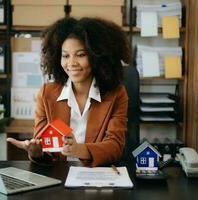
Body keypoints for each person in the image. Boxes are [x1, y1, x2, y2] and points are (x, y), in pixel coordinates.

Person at [7, 17, 131, 167]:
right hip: (60, 178)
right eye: (65, 56)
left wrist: (77, 149)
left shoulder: (117, 94)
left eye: (80, 55)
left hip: (98, 178)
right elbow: (43, 147)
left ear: (97, 56)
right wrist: (36, 152)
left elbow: (114, 146)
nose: (71, 63)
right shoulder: (46, 94)